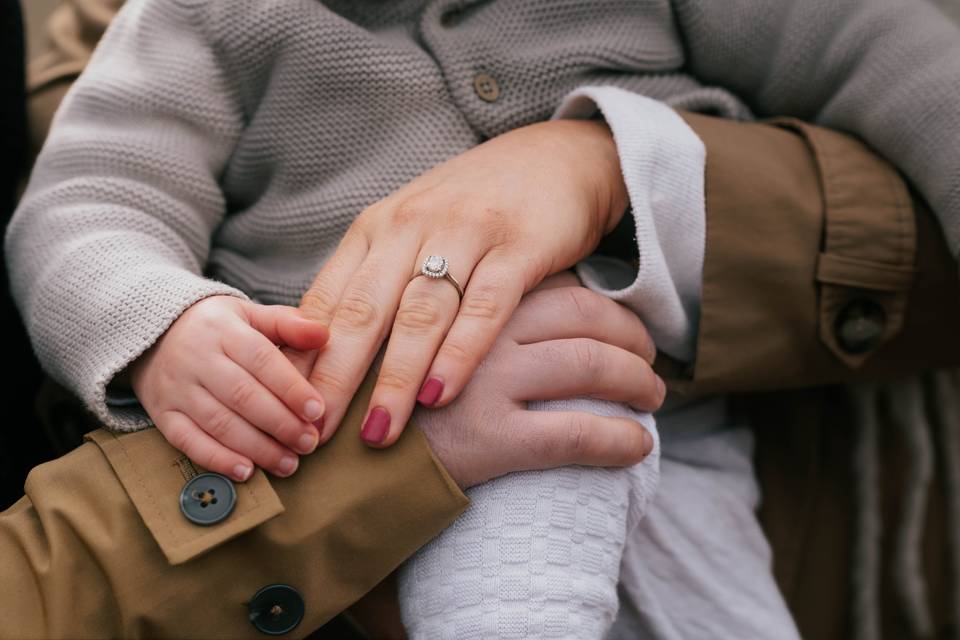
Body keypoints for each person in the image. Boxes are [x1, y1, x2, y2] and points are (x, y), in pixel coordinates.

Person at [11, 0, 960, 638]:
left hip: (673, 401)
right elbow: (90, 198)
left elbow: (898, 60)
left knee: (724, 604)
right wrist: (161, 324)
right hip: (368, 437)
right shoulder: (196, 17)